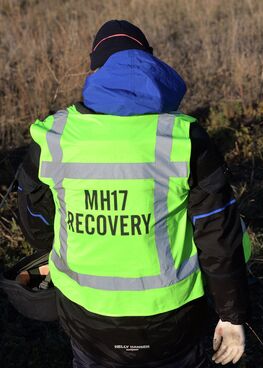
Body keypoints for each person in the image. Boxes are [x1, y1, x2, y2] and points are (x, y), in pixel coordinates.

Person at [16, 20, 250, 367]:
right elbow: (219, 235)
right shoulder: (183, 139)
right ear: (149, 61)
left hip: (85, 321)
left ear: (94, 66)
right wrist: (232, 315)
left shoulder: (54, 137)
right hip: (172, 324)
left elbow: (35, 224)